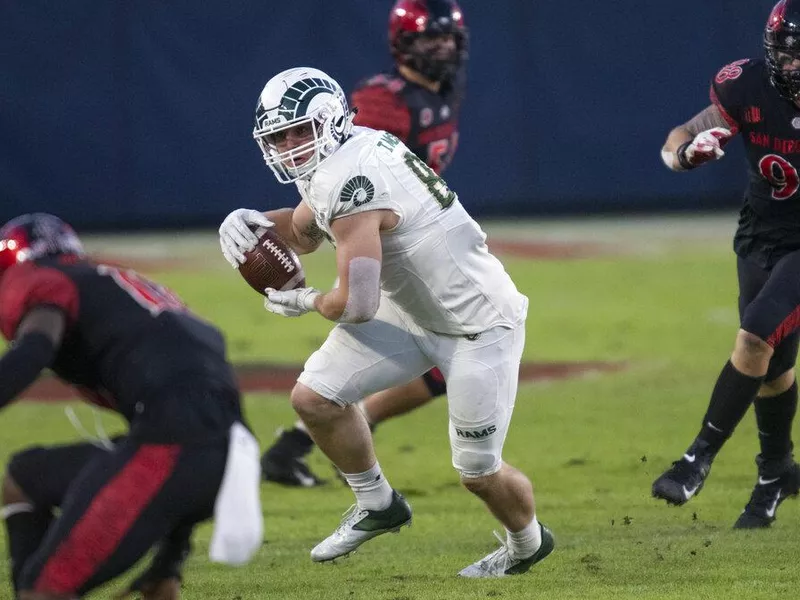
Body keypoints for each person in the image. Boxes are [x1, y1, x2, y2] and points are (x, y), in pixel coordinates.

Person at [218, 65, 553, 577]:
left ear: (329, 121)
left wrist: (303, 300)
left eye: (296, 132)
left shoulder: (353, 179)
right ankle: (377, 503)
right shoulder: (346, 152)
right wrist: (254, 222)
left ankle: (527, 543)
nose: (287, 146)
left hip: (478, 325)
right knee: (314, 398)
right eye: (277, 136)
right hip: (413, 310)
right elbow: (305, 231)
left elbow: (357, 305)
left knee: (478, 472)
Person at [260, 0, 468, 488]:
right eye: (428, 37)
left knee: (450, 350)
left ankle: (301, 444)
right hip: (371, 237)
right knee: (450, 347)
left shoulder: (441, 91)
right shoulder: (383, 100)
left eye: (446, 37)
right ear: (403, 43)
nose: (440, 46)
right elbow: (343, 176)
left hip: (409, 240)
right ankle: (322, 440)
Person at [0, 213, 262, 599]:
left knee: (45, 592)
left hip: (175, 449)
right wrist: (168, 559)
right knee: (24, 478)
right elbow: (199, 418)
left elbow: (35, 348)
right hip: (226, 451)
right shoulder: (127, 290)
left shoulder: (42, 280)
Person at [652, 0, 800, 529]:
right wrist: (686, 156)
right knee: (774, 368)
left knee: (754, 338)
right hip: (761, 234)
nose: (799, 67)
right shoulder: (744, 85)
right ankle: (776, 473)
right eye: (792, 55)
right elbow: (677, 138)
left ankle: (696, 457)